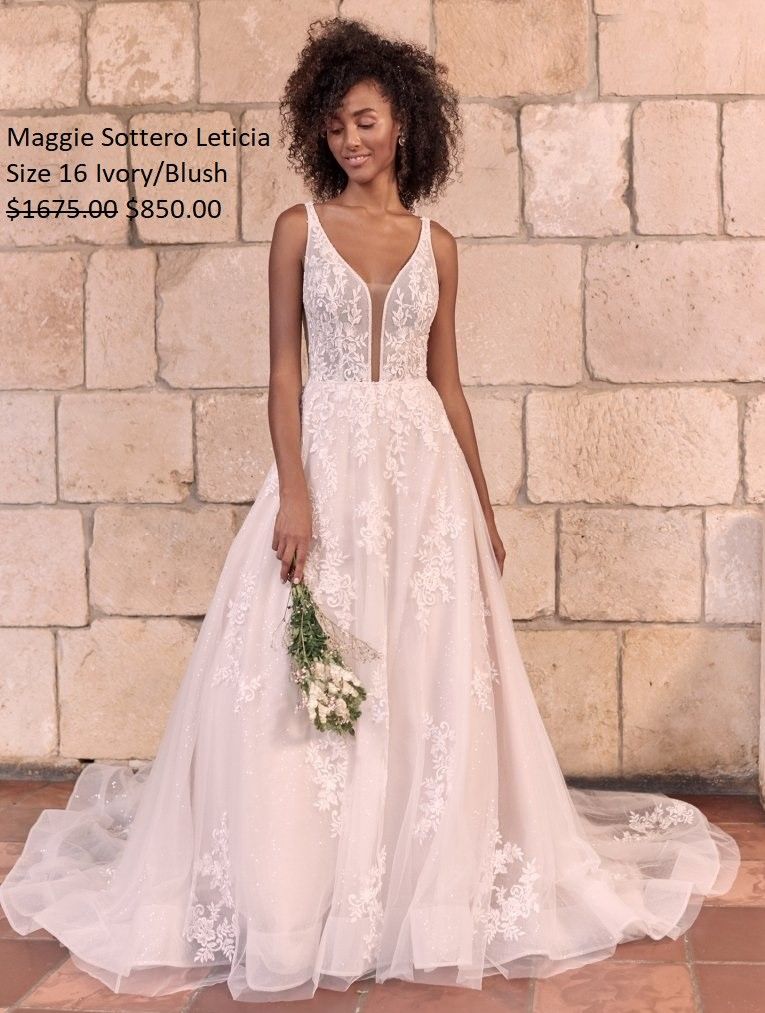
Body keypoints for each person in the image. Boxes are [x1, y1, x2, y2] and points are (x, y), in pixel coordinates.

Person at [0, 15, 741, 1006]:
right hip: (327, 464)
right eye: (336, 123)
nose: (350, 138)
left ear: (404, 126)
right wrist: (295, 491)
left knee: (422, 671)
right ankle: (295, 892)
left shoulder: (440, 246)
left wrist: (483, 508)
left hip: (423, 481)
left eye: (366, 120)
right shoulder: (298, 230)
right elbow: (282, 373)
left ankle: (411, 886)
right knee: (303, 672)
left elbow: (448, 385)